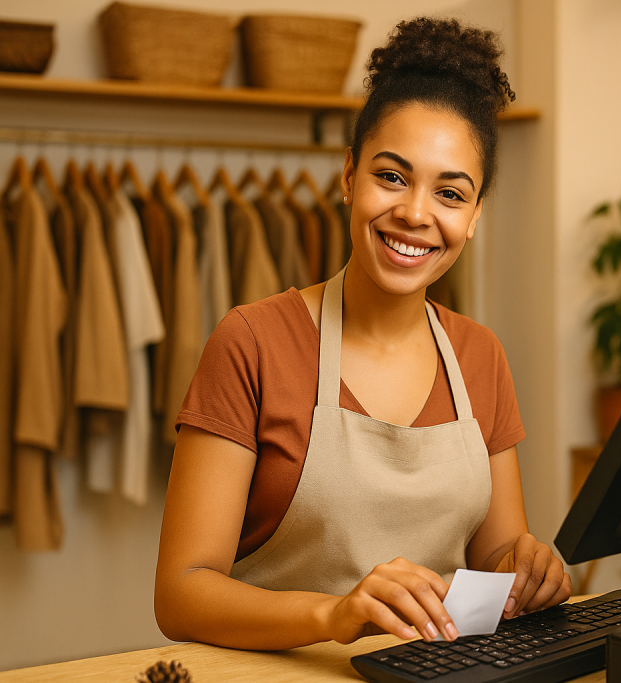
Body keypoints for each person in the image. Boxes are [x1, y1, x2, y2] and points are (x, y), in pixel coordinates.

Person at [154, 17, 571, 649]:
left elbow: (497, 559)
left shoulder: (480, 356)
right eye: (392, 176)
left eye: (451, 194)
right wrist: (334, 615)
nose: (416, 214)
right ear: (349, 176)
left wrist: (531, 570)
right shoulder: (253, 342)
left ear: (475, 214)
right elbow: (181, 593)